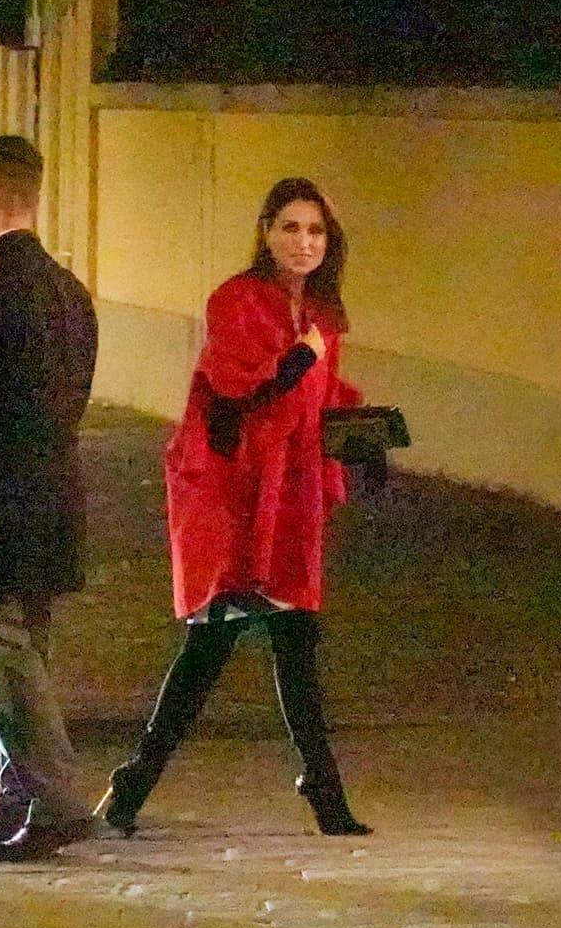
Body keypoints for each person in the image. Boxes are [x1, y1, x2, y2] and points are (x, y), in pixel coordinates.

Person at [97, 177, 371, 839]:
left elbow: (324, 399)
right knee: (207, 651)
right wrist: (303, 356)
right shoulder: (237, 300)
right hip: (237, 496)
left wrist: (364, 439)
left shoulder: (326, 315)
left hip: (292, 497)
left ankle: (325, 790)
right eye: (290, 228)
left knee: (297, 645)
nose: (303, 243)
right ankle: (134, 783)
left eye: (315, 231)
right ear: (266, 231)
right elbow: (238, 389)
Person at [0, 135, 99, 862]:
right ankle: (18, 797)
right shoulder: (71, 293)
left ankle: (58, 795)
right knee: (27, 655)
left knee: (3, 660)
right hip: (54, 496)